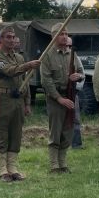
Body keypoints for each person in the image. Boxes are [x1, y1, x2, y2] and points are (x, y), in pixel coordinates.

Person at [0, 26, 40, 182]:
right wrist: (29, 65)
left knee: (16, 133)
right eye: (8, 37)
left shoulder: (19, 57)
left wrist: (27, 103)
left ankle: (13, 168)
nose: (12, 40)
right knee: (3, 133)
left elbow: (25, 80)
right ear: (1, 39)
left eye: (13, 37)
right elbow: (10, 71)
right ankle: (2, 169)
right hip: (3, 98)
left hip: (18, 98)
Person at [39, 25, 83, 173]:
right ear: (53, 36)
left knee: (68, 131)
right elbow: (46, 81)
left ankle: (63, 163)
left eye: (66, 33)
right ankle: (54, 165)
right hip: (55, 98)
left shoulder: (72, 54)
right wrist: (59, 99)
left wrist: (78, 76)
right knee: (55, 132)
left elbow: (81, 72)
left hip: (71, 95)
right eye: (61, 34)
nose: (64, 36)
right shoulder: (47, 55)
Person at [66, 37, 85, 150]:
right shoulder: (52, 56)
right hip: (59, 93)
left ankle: (76, 144)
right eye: (67, 46)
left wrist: (77, 84)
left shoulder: (75, 57)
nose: (68, 48)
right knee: (59, 120)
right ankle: (60, 144)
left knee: (75, 119)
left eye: (70, 46)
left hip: (73, 93)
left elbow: (82, 74)